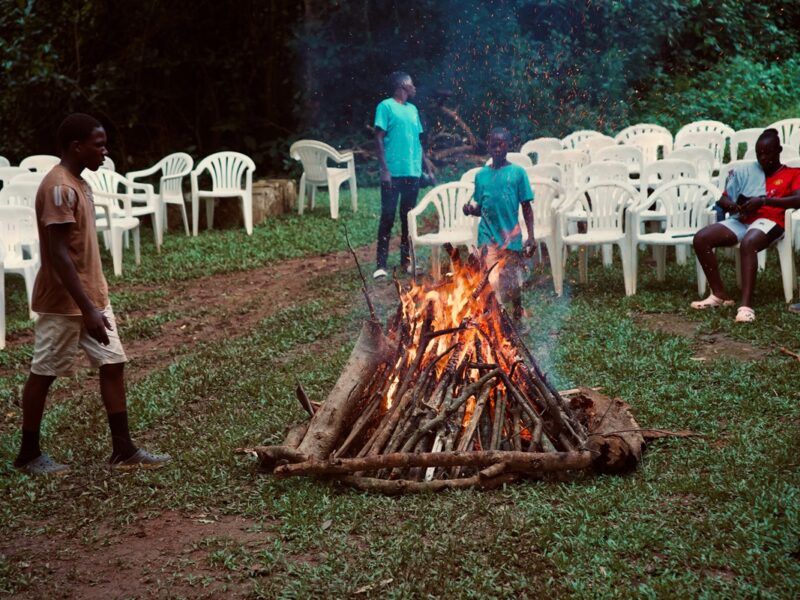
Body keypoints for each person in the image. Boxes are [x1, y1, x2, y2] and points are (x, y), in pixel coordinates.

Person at [13, 113, 171, 475]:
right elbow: (58, 253)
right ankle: (28, 454)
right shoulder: (59, 187)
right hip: (65, 303)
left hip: (92, 299)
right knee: (44, 372)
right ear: (76, 146)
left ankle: (124, 450)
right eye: (99, 145)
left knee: (113, 363)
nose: (105, 151)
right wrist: (87, 309)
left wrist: (94, 303)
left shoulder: (79, 182)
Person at [691, 128, 800, 322]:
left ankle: (746, 306)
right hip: (743, 219)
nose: (763, 157)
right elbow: (723, 199)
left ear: (779, 150)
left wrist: (765, 201)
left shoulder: (793, 173)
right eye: (759, 153)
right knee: (701, 239)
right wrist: (733, 205)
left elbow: (798, 199)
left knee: (749, 242)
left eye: (767, 153)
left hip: (772, 221)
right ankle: (719, 294)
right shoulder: (747, 171)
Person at [463, 127, 535, 323]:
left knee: (511, 280)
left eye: (501, 144)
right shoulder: (481, 176)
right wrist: (471, 210)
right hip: (487, 236)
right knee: (487, 279)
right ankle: (492, 319)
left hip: (510, 237)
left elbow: (526, 206)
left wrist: (531, 235)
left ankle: (518, 314)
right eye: (493, 144)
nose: (497, 148)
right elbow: (482, 207)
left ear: (508, 146)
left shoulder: (518, 173)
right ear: (488, 146)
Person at [373, 71, 435, 279]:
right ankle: (380, 265)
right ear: (402, 86)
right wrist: (385, 170)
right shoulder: (385, 106)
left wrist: (426, 168)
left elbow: (417, 142)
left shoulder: (413, 110)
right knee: (388, 217)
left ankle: (406, 262)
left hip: (412, 172)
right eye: (411, 84)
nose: (414, 87)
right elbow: (379, 138)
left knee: (408, 217)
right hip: (393, 173)